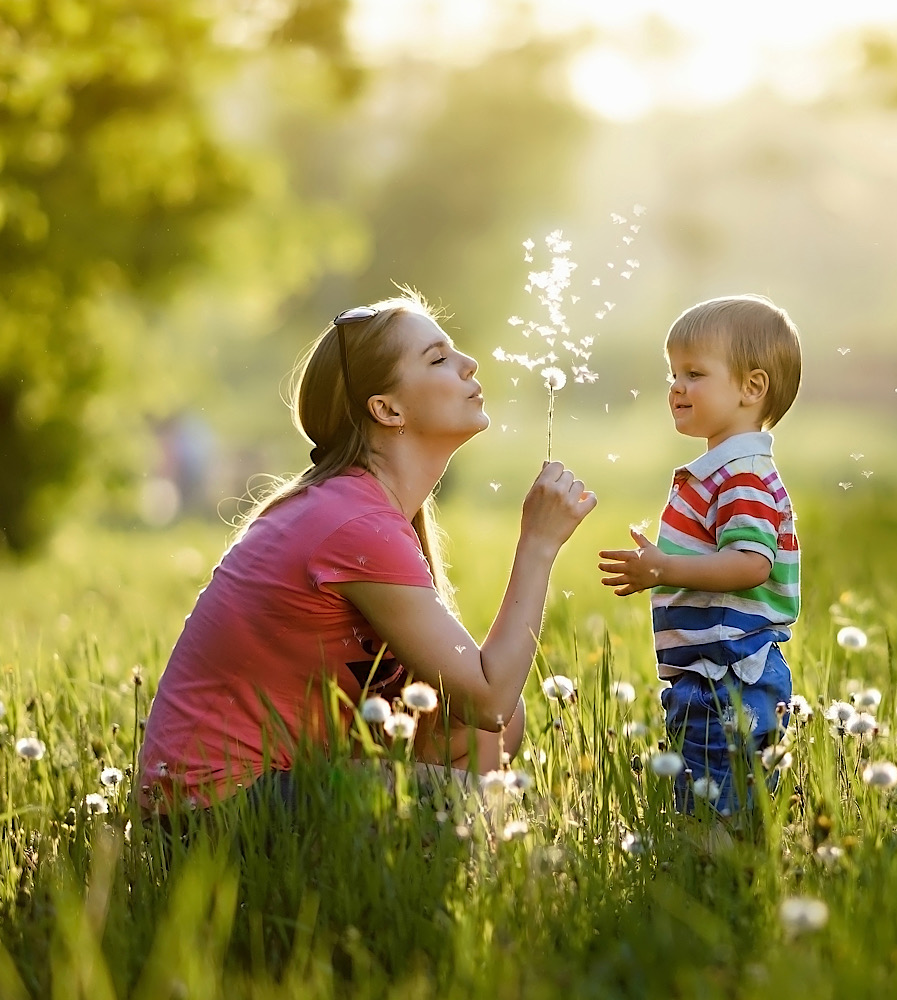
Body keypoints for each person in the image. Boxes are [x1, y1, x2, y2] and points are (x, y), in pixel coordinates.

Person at [138, 289, 597, 813]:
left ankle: (418, 875)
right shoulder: (355, 523)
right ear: (387, 408)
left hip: (260, 790)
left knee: (464, 732)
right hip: (209, 812)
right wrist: (537, 545)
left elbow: (478, 709)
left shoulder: (358, 507)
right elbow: (489, 698)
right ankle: (437, 870)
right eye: (439, 358)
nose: (470, 365)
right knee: (469, 781)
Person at [598, 294, 801, 816]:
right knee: (720, 796)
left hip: (729, 676)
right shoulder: (724, 470)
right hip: (713, 673)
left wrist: (665, 569)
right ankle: (726, 876)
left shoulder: (741, 476)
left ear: (752, 387)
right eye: (673, 374)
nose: (676, 387)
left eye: (694, 373)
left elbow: (751, 563)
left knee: (715, 805)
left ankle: (717, 880)